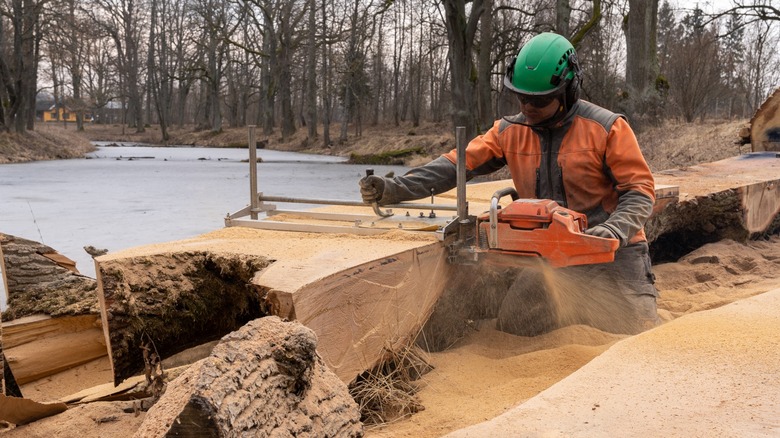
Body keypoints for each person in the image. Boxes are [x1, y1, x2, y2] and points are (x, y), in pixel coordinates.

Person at [359, 32, 660, 336]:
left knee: (637, 330)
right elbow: (455, 165)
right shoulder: (509, 130)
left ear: (567, 90)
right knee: (515, 323)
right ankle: (573, 314)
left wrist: (613, 229)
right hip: (550, 253)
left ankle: (594, 307)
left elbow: (639, 191)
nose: (528, 107)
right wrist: (394, 188)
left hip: (615, 250)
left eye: (539, 101)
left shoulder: (607, 129)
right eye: (522, 98)